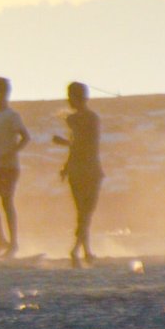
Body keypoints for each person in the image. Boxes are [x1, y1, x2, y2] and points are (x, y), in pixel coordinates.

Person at [52, 81, 103, 268]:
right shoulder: (83, 118)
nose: (69, 100)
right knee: (85, 212)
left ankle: (82, 250)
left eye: (71, 96)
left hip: (85, 169)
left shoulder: (84, 119)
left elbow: (83, 144)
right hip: (86, 169)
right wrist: (66, 166)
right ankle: (79, 250)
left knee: (84, 212)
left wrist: (64, 144)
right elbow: (80, 146)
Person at [0, 77, 30, 259]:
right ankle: (1, 239)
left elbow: (25, 137)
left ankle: (13, 243)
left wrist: (11, 152)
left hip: (8, 167)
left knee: (6, 201)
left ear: (4, 94)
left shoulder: (12, 116)